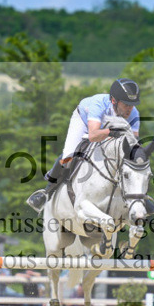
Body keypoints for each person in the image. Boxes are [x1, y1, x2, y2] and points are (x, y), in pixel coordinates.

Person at [26, 78, 141, 212]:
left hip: (105, 130)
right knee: (69, 156)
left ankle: (139, 198)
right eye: (126, 104)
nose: (129, 109)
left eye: (132, 104)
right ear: (114, 101)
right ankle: (47, 192)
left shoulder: (134, 113)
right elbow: (93, 136)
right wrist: (112, 132)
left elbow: (132, 142)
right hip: (84, 122)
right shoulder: (99, 104)